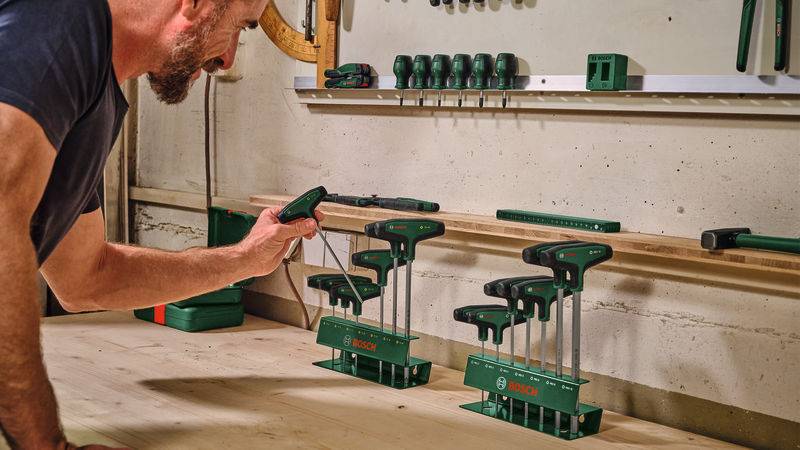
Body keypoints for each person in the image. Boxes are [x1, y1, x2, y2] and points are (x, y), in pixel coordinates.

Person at [0, 1, 319, 448]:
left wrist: (245, 259)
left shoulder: (95, 102)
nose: (227, 59)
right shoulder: (61, 21)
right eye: (240, 28)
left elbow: (87, 279)